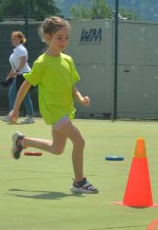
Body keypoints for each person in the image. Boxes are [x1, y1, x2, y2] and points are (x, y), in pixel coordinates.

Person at [8, 16, 98, 194]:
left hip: (65, 109)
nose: (63, 41)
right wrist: (16, 109)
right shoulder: (42, 62)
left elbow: (71, 85)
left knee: (57, 149)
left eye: (66, 37)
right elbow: (25, 85)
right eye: (59, 37)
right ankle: (79, 182)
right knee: (79, 141)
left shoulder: (68, 60)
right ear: (48, 38)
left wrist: (80, 98)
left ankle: (22, 141)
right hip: (53, 110)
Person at [1, 31, 35, 124]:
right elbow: (14, 66)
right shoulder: (16, 50)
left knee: (12, 94)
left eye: (15, 38)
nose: (12, 40)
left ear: (20, 39)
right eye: (12, 38)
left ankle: (12, 115)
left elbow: (23, 61)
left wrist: (16, 71)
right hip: (20, 75)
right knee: (25, 96)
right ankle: (30, 116)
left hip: (25, 75)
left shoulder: (21, 49)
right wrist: (8, 77)